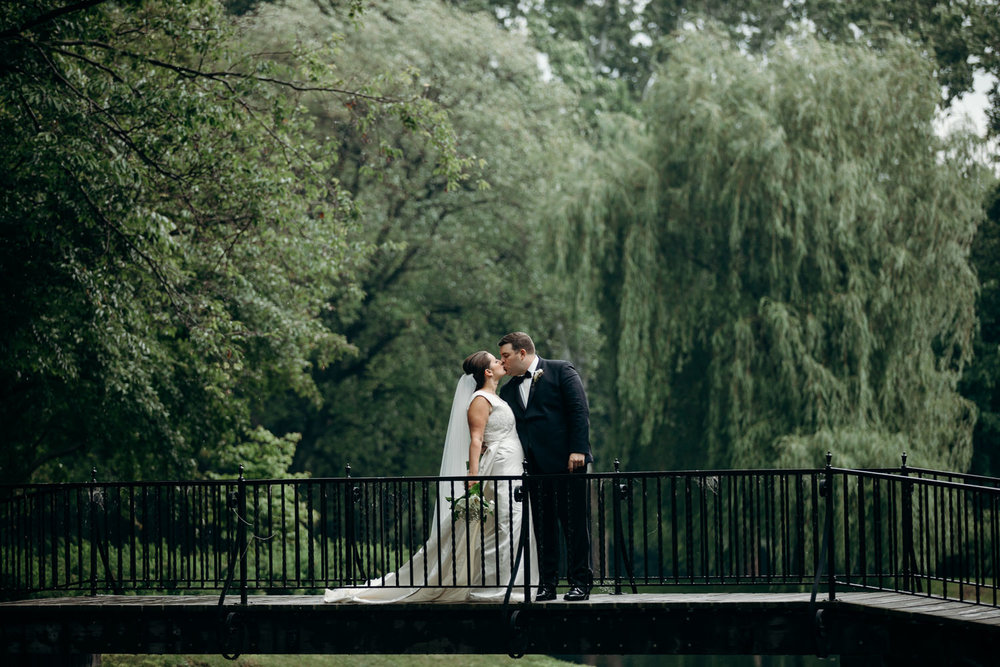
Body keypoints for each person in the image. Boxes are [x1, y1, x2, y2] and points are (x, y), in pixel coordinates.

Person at [324, 351, 535, 603]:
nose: (502, 362)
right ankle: (498, 588)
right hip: (499, 467)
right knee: (501, 524)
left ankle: (513, 583)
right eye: (496, 360)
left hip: (509, 464)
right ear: (488, 372)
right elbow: (476, 440)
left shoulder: (494, 396)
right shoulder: (479, 399)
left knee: (509, 522)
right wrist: (473, 475)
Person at [497, 331, 593, 602]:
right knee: (543, 527)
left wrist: (579, 450)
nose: (503, 362)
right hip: (534, 470)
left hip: (567, 464)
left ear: (522, 353)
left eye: (506, 356)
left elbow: (578, 410)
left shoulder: (560, 370)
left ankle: (580, 583)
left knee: (574, 525)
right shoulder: (508, 390)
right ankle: (547, 584)